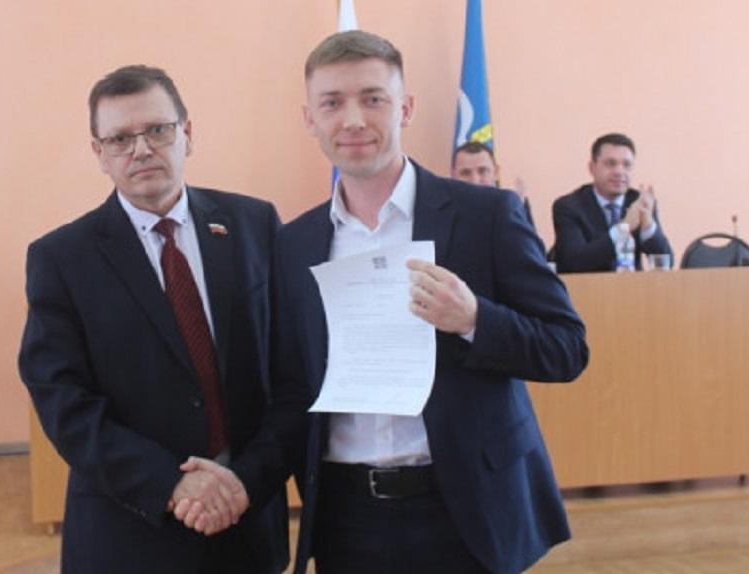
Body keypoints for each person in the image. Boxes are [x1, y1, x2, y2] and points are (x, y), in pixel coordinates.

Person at [276, 30, 588, 574]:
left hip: (465, 508)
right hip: (346, 517)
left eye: (373, 98)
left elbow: (567, 348)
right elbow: (289, 384)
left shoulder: (488, 216)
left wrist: (474, 319)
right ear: (310, 119)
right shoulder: (293, 244)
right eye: (332, 103)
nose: (353, 119)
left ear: (406, 108)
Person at [17, 65, 290, 573]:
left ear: (188, 133)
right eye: (120, 139)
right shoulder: (62, 258)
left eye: (158, 130)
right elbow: (62, 401)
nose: (141, 150)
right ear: (99, 153)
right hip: (130, 532)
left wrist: (247, 481)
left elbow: (293, 371)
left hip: (247, 521)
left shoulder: (255, 225)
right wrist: (170, 483)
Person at [551, 133, 673, 272]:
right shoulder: (568, 207)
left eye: (626, 165)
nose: (619, 171)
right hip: (588, 285)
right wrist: (624, 227)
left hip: (633, 285)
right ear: (592, 168)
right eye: (610, 164)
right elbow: (575, 262)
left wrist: (648, 227)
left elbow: (666, 263)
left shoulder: (639, 202)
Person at [450, 140, 535, 226]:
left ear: (496, 173)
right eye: (465, 173)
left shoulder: (514, 207)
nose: (475, 181)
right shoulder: (444, 214)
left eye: (483, 171)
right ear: (453, 176)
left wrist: (514, 210)